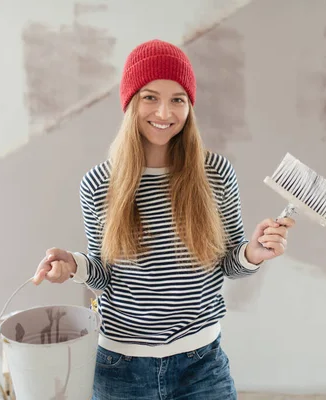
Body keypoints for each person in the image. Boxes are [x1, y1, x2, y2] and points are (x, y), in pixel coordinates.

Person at [33, 39, 294, 400]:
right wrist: (72, 265)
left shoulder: (215, 174)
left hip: (201, 365)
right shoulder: (98, 184)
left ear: (189, 106)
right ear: (131, 103)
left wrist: (253, 253)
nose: (164, 112)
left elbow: (230, 264)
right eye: (150, 97)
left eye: (178, 99)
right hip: (120, 367)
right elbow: (104, 275)